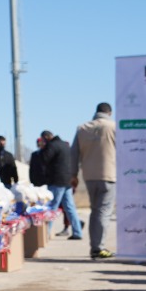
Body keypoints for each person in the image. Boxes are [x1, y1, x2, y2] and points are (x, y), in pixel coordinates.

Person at [71, 102, 117, 260]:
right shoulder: (113, 127)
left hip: (89, 176)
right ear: (109, 113)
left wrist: (73, 175)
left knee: (95, 211)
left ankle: (95, 246)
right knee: (103, 212)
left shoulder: (82, 128)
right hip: (109, 175)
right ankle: (98, 248)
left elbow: (74, 155)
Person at [40, 130, 82, 240]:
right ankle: (78, 232)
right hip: (67, 181)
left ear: (46, 137)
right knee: (70, 208)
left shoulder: (52, 146)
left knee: (51, 208)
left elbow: (44, 159)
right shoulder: (65, 145)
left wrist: (43, 148)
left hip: (57, 181)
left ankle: (46, 234)